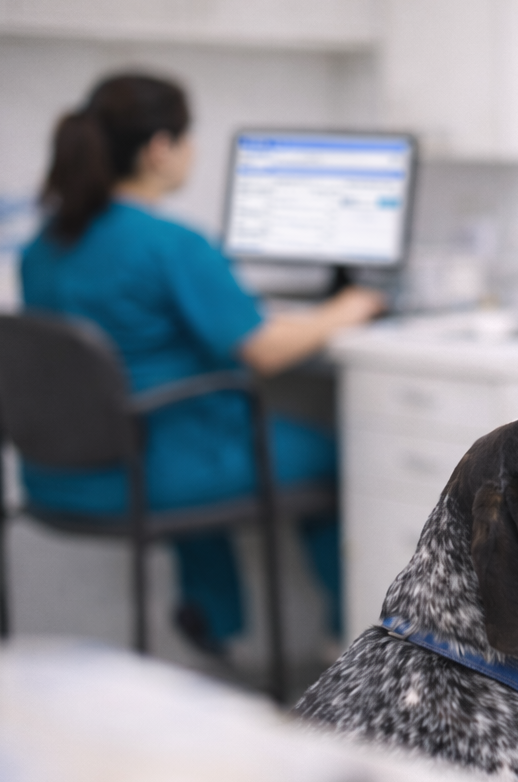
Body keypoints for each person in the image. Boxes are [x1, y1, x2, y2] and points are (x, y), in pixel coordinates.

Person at [20, 73, 385, 657]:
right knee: (344, 461)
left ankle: (215, 619)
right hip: (151, 469)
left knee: (205, 433)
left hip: (58, 474)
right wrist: (345, 310)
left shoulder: (42, 245)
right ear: (159, 148)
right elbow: (260, 350)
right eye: (188, 139)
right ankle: (351, 641)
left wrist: (305, 321)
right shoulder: (170, 243)